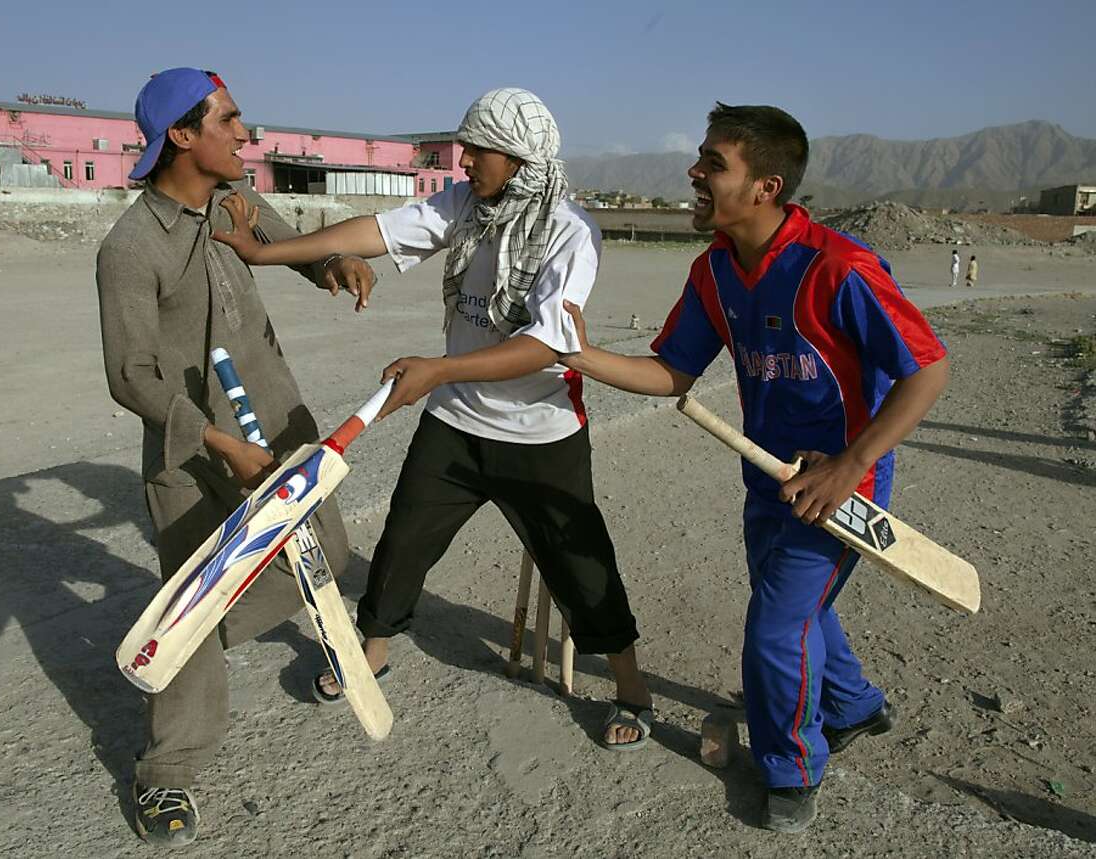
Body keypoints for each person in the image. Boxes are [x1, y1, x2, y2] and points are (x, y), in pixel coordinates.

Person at [213, 87, 655, 752]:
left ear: (521, 159)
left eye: (479, 149)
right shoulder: (468, 205)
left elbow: (547, 345)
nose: (465, 160)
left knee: (580, 567)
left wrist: (437, 369)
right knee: (402, 542)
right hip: (456, 425)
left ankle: (631, 687)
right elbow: (376, 232)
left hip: (540, 435)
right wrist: (264, 252)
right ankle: (375, 648)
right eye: (465, 146)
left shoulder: (570, 233)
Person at [557, 103, 949, 833]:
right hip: (766, 480)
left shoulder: (839, 267)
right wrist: (580, 356)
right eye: (701, 158)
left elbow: (927, 368)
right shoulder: (714, 272)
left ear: (766, 186)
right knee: (798, 609)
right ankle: (857, 706)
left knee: (774, 629)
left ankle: (791, 767)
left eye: (713, 163)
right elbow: (673, 372)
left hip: (844, 489)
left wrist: (851, 463)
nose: (694, 172)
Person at [96, 67, 376, 847]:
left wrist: (331, 266)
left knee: (326, 553)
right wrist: (218, 441)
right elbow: (130, 376)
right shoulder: (129, 248)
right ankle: (167, 776)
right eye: (229, 119)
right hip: (195, 455)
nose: (245, 132)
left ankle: (177, 636)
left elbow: (284, 244)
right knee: (192, 591)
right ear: (182, 137)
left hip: (279, 430)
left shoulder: (235, 201)